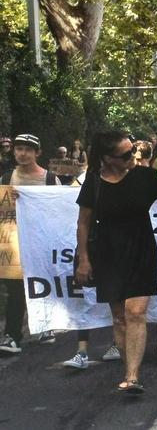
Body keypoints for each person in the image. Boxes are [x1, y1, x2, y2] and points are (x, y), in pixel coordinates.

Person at [73, 130, 157, 394]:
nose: (132, 156)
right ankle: (129, 369)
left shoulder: (144, 176)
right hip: (107, 253)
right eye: (125, 154)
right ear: (107, 158)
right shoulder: (94, 182)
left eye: (133, 150)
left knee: (135, 312)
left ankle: (133, 376)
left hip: (141, 250)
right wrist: (84, 260)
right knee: (119, 317)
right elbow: (83, 223)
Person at [0, 134, 72, 357]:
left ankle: (44, 325)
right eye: (19, 149)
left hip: (42, 242)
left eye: (28, 150)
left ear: (37, 153)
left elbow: (59, 210)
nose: (22, 153)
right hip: (14, 241)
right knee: (14, 289)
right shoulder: (6, 177)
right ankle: (12, 335)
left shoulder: (50, 179)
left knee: (41, 283)